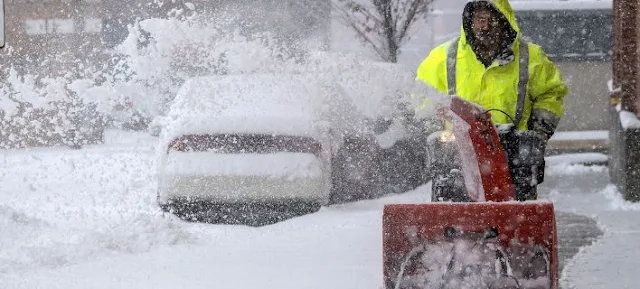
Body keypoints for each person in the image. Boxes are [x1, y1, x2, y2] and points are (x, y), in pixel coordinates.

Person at [416, 0, 568, 200]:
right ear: (469, 21)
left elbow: (550, 94)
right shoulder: (443, 58)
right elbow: (421, 98)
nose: (484, 27)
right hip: (457, 154)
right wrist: (433, 129)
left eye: (491, 20)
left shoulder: (530, 57)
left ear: (504, 21)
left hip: (513, 154)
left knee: (516, 220)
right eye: (479, 19)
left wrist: (537, 131)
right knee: (453, 218)